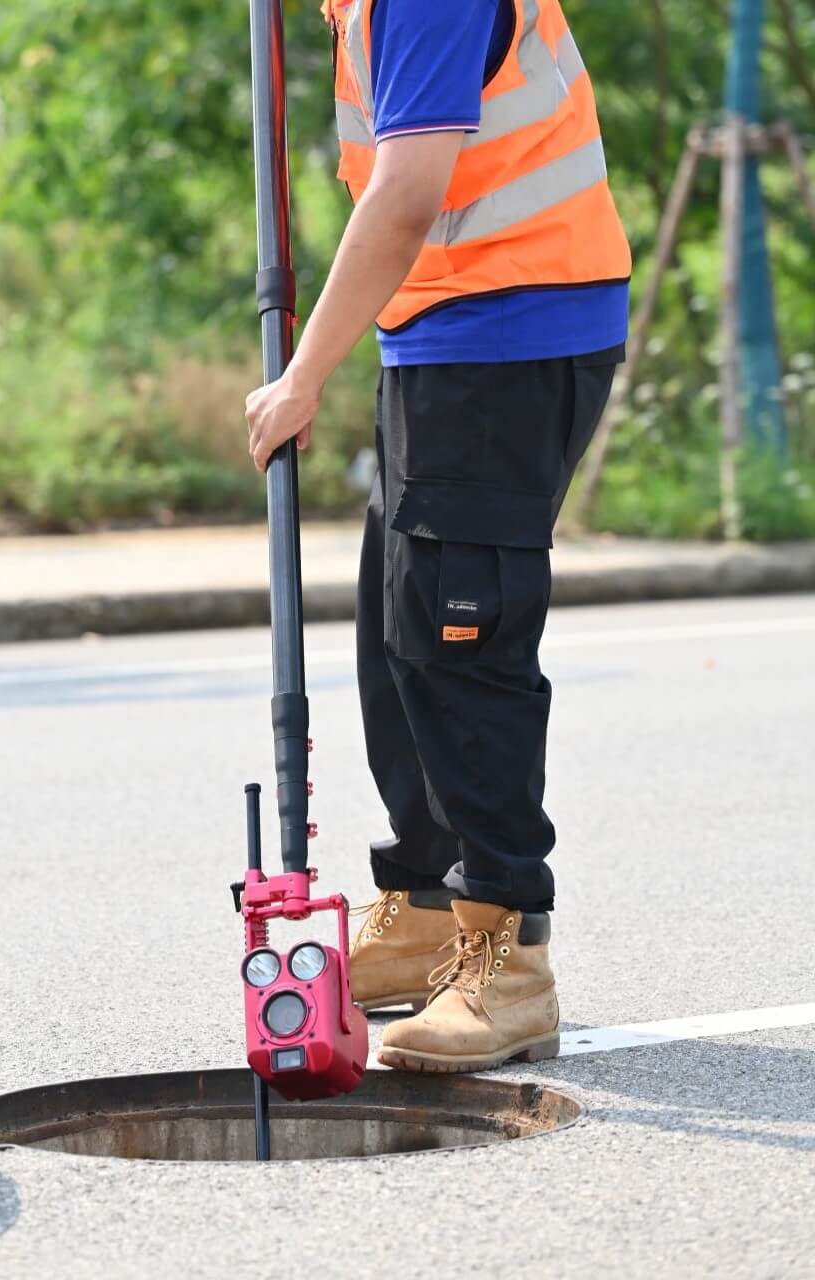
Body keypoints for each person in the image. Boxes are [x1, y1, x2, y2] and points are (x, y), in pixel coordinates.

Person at [244, 0, 630, 1072]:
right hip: (445, 328)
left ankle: (507, 953)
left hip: (509, 329)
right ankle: (421, 905)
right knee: (398, 633)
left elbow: (405, 193)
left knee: (460, 644)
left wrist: (303, 371)